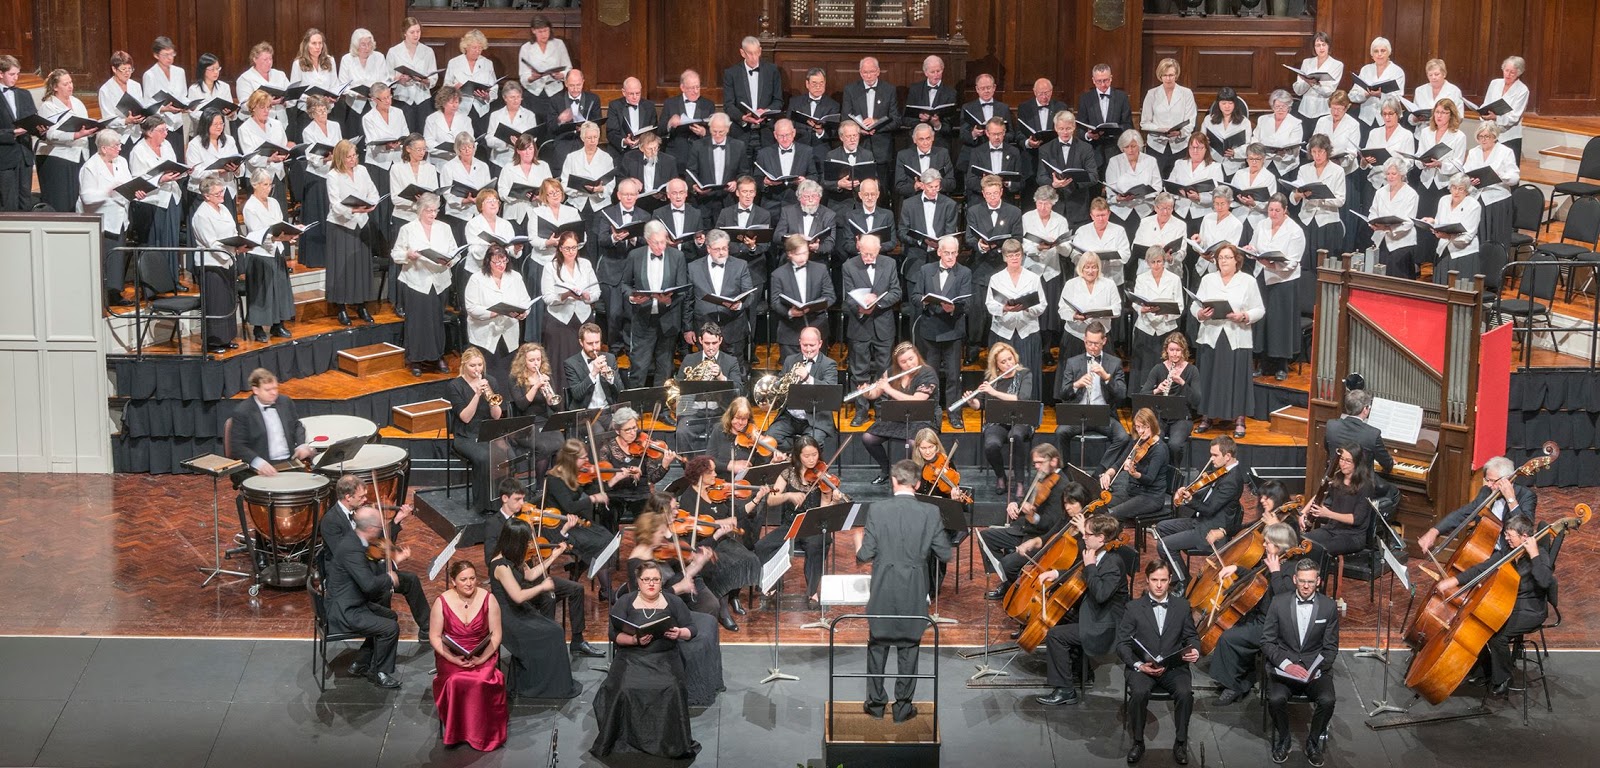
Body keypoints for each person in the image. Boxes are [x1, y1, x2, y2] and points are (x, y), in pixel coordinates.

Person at [853, 459, 952, 722]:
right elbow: (945, 553)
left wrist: (857, 542)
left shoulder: (877, 509)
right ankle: (903, 708)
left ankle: (875, 705)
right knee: (909, 646)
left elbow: (866, 554)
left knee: (877, 644)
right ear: (918, 484)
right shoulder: (931, 512)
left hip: (883, 587)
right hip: (914, 589)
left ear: (893, 482)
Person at [1430, 514, 1551, 700]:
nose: (1507, 539)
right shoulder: (1509, 552)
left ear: (1525, 537)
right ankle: (1488, 672)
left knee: (1497, 635)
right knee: (1482, 627)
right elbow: (1483, 568)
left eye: (1511, 535)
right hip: (1510, 603)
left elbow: (1544, 581)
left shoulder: (1540, 555)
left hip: (1531, 609)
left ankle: (1504, 679)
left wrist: (1534, 554)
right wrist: (1453, 581)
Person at [591, 559, 702, 760]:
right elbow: (613, 634)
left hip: (665, 657)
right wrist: (633, 639)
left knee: (672, 687)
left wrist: (679, 633)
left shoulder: (673, 601)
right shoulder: (625, 601)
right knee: (624, 687)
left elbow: (692, 629)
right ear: (638, 581)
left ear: (661, 582)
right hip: (632, 657)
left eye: (656, 580)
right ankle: (625, 738)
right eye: (646, 579)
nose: (651, 583)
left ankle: (669, 741)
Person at [1208, 512, 1303, 707]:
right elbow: (1255, 577)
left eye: (1268, 543)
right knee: (1231, 626)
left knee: (1228, 638)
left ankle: (1234, 686)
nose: (1264, 545)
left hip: (1273, 625)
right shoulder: (1270, 561)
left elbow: (1284, 599)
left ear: (1278, 547)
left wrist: (1275, 572)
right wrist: (1235, 568)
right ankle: (1242, 677)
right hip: (1260, 615)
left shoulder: (1291, 570)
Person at [487, 518, 588, 700]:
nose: (528, 544)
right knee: (553, 632)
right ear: (514, 541)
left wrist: (554, 556)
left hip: (519, 611)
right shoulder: (500, 565)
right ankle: (540, 685)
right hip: (508, 617)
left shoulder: (513, 558)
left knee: (555, 630)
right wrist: (542, 587)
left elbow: (531, 574)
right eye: (525, 541)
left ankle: (549, 682)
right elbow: (517, 596)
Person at [1036, 513, 1131, 706]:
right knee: (1063, 616)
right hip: (1096, 614)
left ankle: (1065, 690)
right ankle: (1080, 672)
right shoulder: (1096, 554)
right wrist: (1054, 573)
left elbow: (1101, 594)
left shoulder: (1112, 563)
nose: (1083, 536)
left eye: (1087, 534)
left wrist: (1090, 567)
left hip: (1106, 626)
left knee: (1055, 635)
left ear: (1101, 538)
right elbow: (1078, 574)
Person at [1117, 560, 1200, 765]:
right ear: (1147, 580)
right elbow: (1122, 644)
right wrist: (1138, 665)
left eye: (1163, 580)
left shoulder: (1182, 606)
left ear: (1170, 580)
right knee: (1138, 693)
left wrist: (1195, 649)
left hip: (1173, 667)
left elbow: (1192, 636)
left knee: (1185, 693)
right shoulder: (1133, 607)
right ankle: (1138, 741)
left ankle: (1180, 742)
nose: (1159, 585)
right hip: (1143, 668)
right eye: (1155, 580)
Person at [752, 436, 850, 605]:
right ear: (798, 456)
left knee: (816, 545)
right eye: (807, 456)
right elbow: (770, 500)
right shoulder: (787, 473)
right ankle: (771, 584)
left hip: (813, 525)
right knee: (762, 546)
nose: (812, 459)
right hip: (791, 524)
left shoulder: (823, 476)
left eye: (814, 454)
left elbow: (823, 508)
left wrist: (832, 500)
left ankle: (812, 591)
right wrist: (788, 495)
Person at [1262, 559, 1341, 766]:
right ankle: (1284, 738)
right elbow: (1267, 641)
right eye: (1303, 581)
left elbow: (1331, 647)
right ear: (1295, 580)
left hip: (1314, 670)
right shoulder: (1278, 602)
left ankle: (1313, 742)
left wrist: (1317, 669)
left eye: (1311, 582)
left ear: (1318, 582)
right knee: (1276, 699)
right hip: (1285, 668)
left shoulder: (1329, 606)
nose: (1306, 586)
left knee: (1328, 700)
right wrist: (1287, 665)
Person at [676, 456, 763, 631]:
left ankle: (733, 596)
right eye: (712, 471)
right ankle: (723, 610)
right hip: (705, 542)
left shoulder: (717, 491)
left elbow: (737, 513)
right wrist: (722, 522)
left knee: (748, 558)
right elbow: (695, 527)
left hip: (723, 539)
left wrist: (757, 498)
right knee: (723, 566)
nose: (716, 474)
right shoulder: (688, 499)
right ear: (700, 474)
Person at [428, 560, 507, 751]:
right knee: (455, 680)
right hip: (452, 656)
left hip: (482, 654)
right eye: (463, 579)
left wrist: (483, 657)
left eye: (472, 578)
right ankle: (457, 731)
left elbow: (496, 635)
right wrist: (451, 658)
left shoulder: (489, 599)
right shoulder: (441, 602)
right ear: (454, 581)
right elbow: (435, 637)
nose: (469, 583)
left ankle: (481, 733)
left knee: (480, 681)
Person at [980, 444, 1073, 598]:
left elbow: (1052, 523)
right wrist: (1016, 504)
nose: (1036, 466)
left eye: (1040, 462)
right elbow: (1029, 500)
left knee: (1008, 563)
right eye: (1034, 463)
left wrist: (1033, 516)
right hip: (1025, 529)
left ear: (1054, 461)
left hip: (1041, 538)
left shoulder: (1062, 486)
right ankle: (1009, 583)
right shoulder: (1042, 476)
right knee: (986, 537)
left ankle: (1013, 587)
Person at [325, 506, 403, 689]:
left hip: (351, 601)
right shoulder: (353, 549)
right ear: (370, 529)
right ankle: (379, 672)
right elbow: (367, 585)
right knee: (390, 627)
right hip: (345, 610)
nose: (380, 530)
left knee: (389, 616)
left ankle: (361, 662)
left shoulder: (356, 541)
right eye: (378, 526)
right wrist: (389, 578)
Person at [1191, 245, 1263, 436]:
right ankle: (1206, 416)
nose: (1223, 261)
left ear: (1236, 260)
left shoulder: (1247, 281)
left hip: (1236, 334)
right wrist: (1200, 313)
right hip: (1211, 334)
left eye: (1228, 257)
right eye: (1220, 257)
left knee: (1237, 378)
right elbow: (1194, 305)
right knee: (1208, 376)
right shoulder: (1208, 279)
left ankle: (1239, 419)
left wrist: (1244, 315)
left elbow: (1259, 309)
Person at [1155, 435, 1245, 588]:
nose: (1211, 459)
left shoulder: (1232, 480)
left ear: (1228, 456)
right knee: (1161, 527)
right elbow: (1208, 495)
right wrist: (1190, 493)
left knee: (1163, 545)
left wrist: (1190, 500)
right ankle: (1178, 571)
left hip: (1210, 529)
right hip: (1200, 521)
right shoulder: (1223, 471)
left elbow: (1209, 509)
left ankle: (1184, 582)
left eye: (1215, 455)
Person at [1415, 455, 1537, 561]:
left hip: (1509, 554)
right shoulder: (1486, 492)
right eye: (1487, 480)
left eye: (1493, 481)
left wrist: (1511, 500)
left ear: (1508, 480)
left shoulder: (1526, 496)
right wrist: (1434, 531)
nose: (1489, 485)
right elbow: (1464, 513)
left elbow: (1526, 529)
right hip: (1483, 549)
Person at [543, 439, 621, 602]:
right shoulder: (554, 479)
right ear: (571, 459)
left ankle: (578, 569)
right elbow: (570, 506)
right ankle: (606, 590)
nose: (587, 461)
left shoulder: (578, 474)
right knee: (600, 544)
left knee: (607, 538)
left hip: (576, 522)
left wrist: (616, 478)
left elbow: (597, 490)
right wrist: (593, 498)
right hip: (559, 526)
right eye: (583, 458)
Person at [391, 192, 454, 375]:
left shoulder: (445, 228)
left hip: (439, 280)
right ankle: (416, 359)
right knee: (417, 322)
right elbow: (396, 254)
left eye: (435, 210)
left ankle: (437, 356)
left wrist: (450, 261)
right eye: (429, 211)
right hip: (417, 280)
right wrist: (407, 255)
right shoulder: (408, 229)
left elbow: (453, 251)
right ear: (420, 211)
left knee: (436, 320)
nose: (432, 214)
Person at [1053, 320, 1130, 471]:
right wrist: (1076, 384)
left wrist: (1107, 377)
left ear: (1104, 341)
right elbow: (1063, 393)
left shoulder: (1114, 363)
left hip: (1103, 414)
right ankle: (1066, 473)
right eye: (1089, 343)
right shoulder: (1073, 362)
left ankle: (1102, 473)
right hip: (1078, 414)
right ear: (1084, 340)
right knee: (1060, 432)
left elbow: (1121, 394)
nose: (1092, 347)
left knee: (1123, 438)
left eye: (1096, 343)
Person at [909, 236, 971, 423]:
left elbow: (968, 303)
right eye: (947, 253)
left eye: (954, 253)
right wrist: (926, 300)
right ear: (939, 252)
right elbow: (915, 296)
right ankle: (931, 414)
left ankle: (954, 414)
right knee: (930, 376)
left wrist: (953, 308)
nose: (951, 257)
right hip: (930, 331)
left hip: (952, 330)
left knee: (953, 376)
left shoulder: (964, 272)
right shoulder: (926, 270)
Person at [1248, 193, 1308, 384]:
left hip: (1283, 281)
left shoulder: (1295, 230)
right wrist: (1250, 251)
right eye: (1270, 210)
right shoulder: (1261, 225)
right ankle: (1264, 363)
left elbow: (1292, 262)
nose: (1273, 214)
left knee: (1280, 323)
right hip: (1263, 277)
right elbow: (1255, 247)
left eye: (1277, 211)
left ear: (1285, 211)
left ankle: (1281, 365)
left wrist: (1272, 264)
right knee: (1264, 321)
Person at [959, 342, 1034, 495]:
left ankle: (1019, 482)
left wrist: (994, 393)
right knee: (991, 445)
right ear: (996, 365)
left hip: (1020, 420)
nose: (1008, 364)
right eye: (1003, 362)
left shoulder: (1025, 374)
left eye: (1010, 359)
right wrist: (971, 401)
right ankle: (1001, 476)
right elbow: (980, 405)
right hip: (997, 421)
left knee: (1016, 436)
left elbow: (1022, 398)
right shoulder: (992, 379)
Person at [623, 221, 691, 388]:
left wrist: (669, 300)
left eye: (663, 241)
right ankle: (635, 408)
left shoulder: (677, 256)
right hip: (643, 318)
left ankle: (663, 409)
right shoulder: (635, 255)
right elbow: (624, 284)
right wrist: (632, 298)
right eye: (656, 242)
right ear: (647, 240)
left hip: (668, 319)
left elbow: (683, 290)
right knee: (639, 366)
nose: (661, 246)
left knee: (665, 368)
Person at [861, 342, 941, 483]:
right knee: (868, 438)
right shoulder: (892, 372)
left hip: (924, 418)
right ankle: (886, 469)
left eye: (911, 359)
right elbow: (875, 393)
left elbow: (918, 401)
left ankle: (914, 476)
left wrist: (889, 389)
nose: (909, 364)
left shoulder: (928, 373)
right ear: (898, 364)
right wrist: (867, 393)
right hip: (898, 416)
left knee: (912, 443)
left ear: (917, 356)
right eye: (903, 362)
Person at [188, 176, 247, 353]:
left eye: (221, 191)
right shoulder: (201, 215)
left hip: (227, 260)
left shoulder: (223, 209)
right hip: (212, 264)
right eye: (217, 193)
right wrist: (232, 247)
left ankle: (227, 337)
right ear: (206, 196)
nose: (222, 195)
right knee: (216, 302)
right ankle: (213, 341)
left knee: (228, 301)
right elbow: (211, 243)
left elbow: (234, 231)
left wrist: (239, 245)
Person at [325, 140, 380, 325]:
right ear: (341, 157)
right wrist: (354, 210)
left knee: (361, 266)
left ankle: (361, 304)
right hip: (341, 226)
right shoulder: (333, 175)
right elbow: (335, 204)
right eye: (349, 156)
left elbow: (374, 193)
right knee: (342, 267)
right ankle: (341, 307)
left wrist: (369, 205)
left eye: (355, 155)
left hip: (361, 223)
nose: (353, 159)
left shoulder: (362, 171)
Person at [78, 130, 135, 307]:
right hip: (102, 220)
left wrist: (135, 192)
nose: (120, 148)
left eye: (119, 144)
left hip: (120, 217)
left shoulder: (121, 162)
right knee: (103, 258)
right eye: (115, 145)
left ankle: (114, 292)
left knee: (117, 257)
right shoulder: (90, 167)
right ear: (103, 148)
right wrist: (108, 192)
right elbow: (87, 197)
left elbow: (128, 184)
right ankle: (100, 294)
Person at [596, 407, 679, 527]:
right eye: (627, 430)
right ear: (617, 430)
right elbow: (604, 481)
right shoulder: (607, 449)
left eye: (634, 428)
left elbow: (652, 478)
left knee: (648, 521)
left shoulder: (644, 443)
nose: (633, 433)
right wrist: (621, 476)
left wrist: (664, 465)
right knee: (608, 514)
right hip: (616, 494)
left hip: (640, 494)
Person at [447, 348, 507, 511]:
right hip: (466, 435)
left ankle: (503, 500)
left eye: (480, 365)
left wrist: (491, 400)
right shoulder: (455, 386)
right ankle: (484, 504)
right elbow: (465, 417)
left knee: (508, 455)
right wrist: (477, 395)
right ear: (464, 365)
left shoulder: (491, 381)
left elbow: (496, 416)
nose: (477, 369)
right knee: (484, 458)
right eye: (473, 365)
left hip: (488, 432)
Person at [465, 243, 533, 384]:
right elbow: (471, 308)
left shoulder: (515, 277)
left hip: (508, 333)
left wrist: (523, 313)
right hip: (485, 335)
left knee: (508, 374)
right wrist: (494, 313)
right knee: (488, 374)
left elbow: (525, 302)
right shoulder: (477, 279)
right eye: (496, 262)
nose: (501, 265)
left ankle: (506, 405)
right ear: (488, 262)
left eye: (504, 261)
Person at [542, 230, 600, 393]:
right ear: (560, 248)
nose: (571, 252)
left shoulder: (585, 264)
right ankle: (560, 400)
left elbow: (596, 291)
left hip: (583, 318)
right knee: (560, 362)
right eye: (567, 248)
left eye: (574, 248)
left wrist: (588, 296)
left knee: (585, 360)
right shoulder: (550, 267)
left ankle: (585, 396)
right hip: (560, 320)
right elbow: (547, 297)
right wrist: (565, 295)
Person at [1412, 99, 1468, 266]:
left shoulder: (1458, 136)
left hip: (1444, 186)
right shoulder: (1426, 132)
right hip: (1427, 182)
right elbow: (1418, 156)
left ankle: (1438, 263)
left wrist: (1440, 164)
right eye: (1437, 112)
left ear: (1451, 115)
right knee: (1423, 223)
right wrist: (1421, 162)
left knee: (1440, 224)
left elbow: (1459, 164)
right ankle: (1419, 261)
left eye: (1444, 112)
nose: (1439, 116)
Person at [227, 368, 314, 476]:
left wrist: (301, 445)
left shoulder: (285, 402)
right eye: (268, 390)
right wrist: (258, 463)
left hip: (290, 461)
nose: (274, 393)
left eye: (275, 388)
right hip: (262, 467)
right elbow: (238, 446)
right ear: (256, 390)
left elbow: (297, 426)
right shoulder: (243, 412)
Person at [986, 239, 1047, 391]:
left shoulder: (1033, 278)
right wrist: (1005, 308)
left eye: (1017, 254)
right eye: (1010, 255)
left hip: (1027, 332)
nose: (1014, 258)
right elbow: (990, 304)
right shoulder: (996, 279)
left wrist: (1026, 308)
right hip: (1003, 332)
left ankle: (1029, 408)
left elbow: (1042, 305)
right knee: (1003, 375)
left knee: (1027, 372)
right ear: (1005, 257)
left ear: (1022, 256)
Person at [765, 326, 840, 449]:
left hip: (815, 420)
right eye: (805, 345)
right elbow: (780, 385)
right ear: (800, 342)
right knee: (770, 438)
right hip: (790, 417)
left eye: (812, 345)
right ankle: (795, 455)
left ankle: (802, 456)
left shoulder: (829, 364)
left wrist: (807, 378)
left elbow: (829, 390)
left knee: (810, 444)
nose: (808, 349)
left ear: (820, 343)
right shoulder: (790, 360)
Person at [129, 120, 184, 285]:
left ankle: (173, 279)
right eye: (161, 130)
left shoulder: (166, 145)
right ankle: (156, 283)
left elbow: (173, 165)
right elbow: (137, 179)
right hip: (152, 201)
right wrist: (160, 179)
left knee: (172, 241)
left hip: (171, 196)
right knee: (157, 241)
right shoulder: (138, 151)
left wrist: (181, 172)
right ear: (149, 132)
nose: (165, 133)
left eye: (166, 130)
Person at [674, 322, 745, 449]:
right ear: (700, 340)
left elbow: (739, 390)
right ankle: (690, 465)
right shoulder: (689, 359)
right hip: (694, 412)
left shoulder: (730, 361)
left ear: (720, 340)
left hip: (720, 413)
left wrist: (721, 377)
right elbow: (678, 387)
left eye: (714, 343)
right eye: (707, 343)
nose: (711, 348)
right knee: (682, 432)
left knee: (726, 434)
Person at [35, 68, 93, 214]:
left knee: (77, 198)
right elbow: (50, 134)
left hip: (80, 155)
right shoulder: (48, 106)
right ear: (55, 87)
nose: (70, 86)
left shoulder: (77, 102)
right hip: (58, 158)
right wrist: (75, 135)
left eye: (71, 82)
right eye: (65, 84)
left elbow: (84, 123)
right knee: (62, 201)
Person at [769, 232, 835, 361]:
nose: (803, 257)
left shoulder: (820, 269)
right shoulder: (778, 274)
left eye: (805, 252)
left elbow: (830, 296)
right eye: (799, 254)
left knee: (817, 372)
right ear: (790, 254)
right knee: (791, 374)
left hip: (817, 326)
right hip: (790, 331)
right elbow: (775, 302)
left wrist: (814, 307)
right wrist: (790, 312)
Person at [1101, 408, 1172, 524]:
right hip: (1133, 491)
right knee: (1101, 504)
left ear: (1152, 425)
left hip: (1151, 497)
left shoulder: (1159, 449)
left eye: (1144, 427)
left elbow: (1149, 479)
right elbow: (1120, 462)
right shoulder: (1138, 442)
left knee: (1111, 515)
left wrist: (1135, 473)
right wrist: (1108, 473)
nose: (1140, 431)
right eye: (1137, 427)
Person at [1140, 332, 1202, 467]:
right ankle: (1156, 471)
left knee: (1175, 445)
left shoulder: (1192, 370)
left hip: (1182, 418)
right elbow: (1143, 395)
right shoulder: (1158, 369)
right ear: (1166, 351)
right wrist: (1158, 390)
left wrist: (1182, 382)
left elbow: (1197, 400)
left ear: (1183, 351)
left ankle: (1173, 474)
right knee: (1155, 441)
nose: (1175, 354)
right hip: (1160, 416)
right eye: (1172, 350)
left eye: (1178, 350)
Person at [722, 36, 784, 157]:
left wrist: (766, 111)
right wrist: (743, 117)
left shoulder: (772, 71)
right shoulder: (731, 73)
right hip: (741, 131)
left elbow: (778, 100)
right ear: (742, 53)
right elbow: (728, 105)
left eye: (756, 53)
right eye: (750, 53)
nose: (754, 57)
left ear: (760, 51)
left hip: (766, 130)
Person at [1130, 246, 1184, 381]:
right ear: (1147, 263)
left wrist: (1165, 313)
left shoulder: (1174, 279)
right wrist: (1141, 309)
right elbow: (1136, 303)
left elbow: (1180, 306)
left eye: (1159, 261)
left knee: (1165, 368)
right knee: (1144, 368)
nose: (1156, 265)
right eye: (1153, 262)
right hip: (1145, 328)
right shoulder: (1141, 278)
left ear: (1164, 261)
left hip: (1166, 329)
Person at [1462, 122, 1519, 248]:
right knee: (1477, 235)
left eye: (1486, 136)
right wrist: (1469, 181)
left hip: (1497, 199)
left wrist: (1500, 175)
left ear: (1494, 137)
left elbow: (1515, 178)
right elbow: (1465, 173)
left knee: (1496, 235)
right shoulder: (1473, 152)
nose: (1483, 139)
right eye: (1480, 136)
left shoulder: (1505, 152)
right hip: (1477, 197)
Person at [1058, 251, 1122, 361]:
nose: (1091, 271)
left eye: (1094, 267)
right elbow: (1062, 309)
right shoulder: (1071, 284)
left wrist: (1102, 314)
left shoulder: (1109, 284)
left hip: (1101, 338)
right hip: (1076, 336)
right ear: (1081, 268)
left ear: (1099, 268)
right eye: (1087, 267)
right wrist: (1074, 316)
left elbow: (1117, 310)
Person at [706, 395, 788, 478]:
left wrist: (772, 463)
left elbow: (759, 466)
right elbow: (708, 460)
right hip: (722, 480)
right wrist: (730, 466)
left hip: (746, 482)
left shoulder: (753, 435)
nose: (740, 423)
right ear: (730, 417)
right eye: (737, 418)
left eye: (744, 419)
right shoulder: (719, 430)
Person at [1422, 174, 1482, 284]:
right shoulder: (1444, 200)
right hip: (1444, 250)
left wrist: (1448, 236)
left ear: (1467, 191)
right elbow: (1440, 222)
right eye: (1454, 187)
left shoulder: (1474, 206)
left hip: (1463, 254)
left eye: (1461, 189)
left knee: (1458, 292)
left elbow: (1467, 237)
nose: (1456, 192)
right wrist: (1433, 222)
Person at [386, 17, 439, 136]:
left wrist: (425, 81)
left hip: (423, 99)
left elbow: (434, 78)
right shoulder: (394, 52)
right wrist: (399, 79)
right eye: (412, 32)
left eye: (418, 31)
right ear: (405, 33)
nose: (416, 35)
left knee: (424, 135)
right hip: (403, 99)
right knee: (405, 136)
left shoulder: (428, 51)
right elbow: (388, 78)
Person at [1369, 159, 1421, 277]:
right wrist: (1373, 223)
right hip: (1381, 241)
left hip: (1402, 244)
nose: (1390, 177)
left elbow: (1409, 222)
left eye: (1394, 174)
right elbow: (1372, 212)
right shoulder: (1380, 192)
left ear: (1402, 174)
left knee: (1399, 280)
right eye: (1388, 174)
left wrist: (1388, 228)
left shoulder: (1411, 194)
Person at [1105, 131, 1161, 236]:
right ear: (1122, 148)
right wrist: (1119, 198)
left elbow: (1157, 187)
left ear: (1139, 145)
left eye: (1133, 146)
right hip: (1121, 211)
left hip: (1145, 210)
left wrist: (1145, 194)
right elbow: (1110, 190)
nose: (1130, 150)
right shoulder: (1114, 161)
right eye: (1126, 147)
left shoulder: (1150, 161)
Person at [1076, 65, 1133, 169]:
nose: (1103, 84)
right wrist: (1088, 135)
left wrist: (1115, 129)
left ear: (1111, 78)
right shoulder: (1085, 99)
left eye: (1106, 80)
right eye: (1099, 81)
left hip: (1116, 149)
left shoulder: (1122, 97)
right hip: (1093, 152)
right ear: (1093, 80)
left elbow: (1128, 125)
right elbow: (1079, 128)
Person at [338, 29, 389, 139]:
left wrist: (376, 92)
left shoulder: (379, 57)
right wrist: (355, 94)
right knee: (356, 139)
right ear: (356, 46)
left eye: (369, 44)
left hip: (375, 104)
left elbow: (384, 81)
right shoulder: (347, 59)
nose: (367, 48)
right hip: (354, 106)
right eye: (363, 45)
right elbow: (342, 85)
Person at [443, 29, 495, 136]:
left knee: (481, 141)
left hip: (481, 110)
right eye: (474, 47)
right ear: (466, 47)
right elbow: (446, 87)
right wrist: (455, 87)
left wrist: (487, 96)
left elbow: (494, 88)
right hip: (461, 108)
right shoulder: (454, 63)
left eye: (480, 48)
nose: (477, 51)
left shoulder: (487, 64)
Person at [1290, 31, 1343, 137]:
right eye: (1318, 45)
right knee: (1303, 143)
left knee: (1319, 143)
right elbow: (1298, 90)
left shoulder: (1337, 65)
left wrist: (1314, 84)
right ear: (1314, 48)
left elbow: (1329, 91)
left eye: (1324, 44)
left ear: (1328, 46)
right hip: (1305, 110)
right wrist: (1307, 82)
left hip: (1323, 111)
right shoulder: (1307, 62)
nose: (1321, 48)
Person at [1479, 56, 1530, 163]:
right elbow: (1486, 104)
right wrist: (1483, 113)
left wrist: (1496, 117)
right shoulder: (1495, 83)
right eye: (1506, 70)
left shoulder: (1522, 90)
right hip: (1490, 133)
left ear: (1519, 73)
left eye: (1512, 72)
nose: (1508, 74)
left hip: (1509, 137)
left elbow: (1515, 117)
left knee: (1507, 170)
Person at [958, 73, 1011, 172]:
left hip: (998, 153)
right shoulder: (967, 108)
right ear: (977, 89)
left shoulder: (1003, 108)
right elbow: (963, 135)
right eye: (982, 88)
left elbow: (1011, 134)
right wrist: (974, 134)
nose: (986, 91)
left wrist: (998, 135)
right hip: (974, 154)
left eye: (988, 87)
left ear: (994, 87)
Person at [562, 322, 621, 410]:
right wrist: (593, 373)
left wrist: (610, 378)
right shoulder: (571, 363)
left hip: (608, 410)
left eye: (597, 342)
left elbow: (620, 391)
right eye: (590, 343)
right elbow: (577, 394)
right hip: (586, 414)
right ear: (581, 342)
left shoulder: (610, 358)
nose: (594, 347)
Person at [896, 122, 958, 201]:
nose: (925, 143)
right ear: (914, 140)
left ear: (933, 138)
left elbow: (952, 184)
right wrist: (915, 187)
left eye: (928, 138)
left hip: (938, 201)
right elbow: (899, 187)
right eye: (921, 139)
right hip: (914, 202)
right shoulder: (903, 156)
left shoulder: (943, 154)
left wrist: (937, 184)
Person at [966, 117, 1024, 199]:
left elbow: (1021, 182)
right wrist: (987, 185)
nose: (997, 137)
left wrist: (1008, 183)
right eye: (993, 134)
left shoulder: (1014, 152)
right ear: (987, 133)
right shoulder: (977, 152)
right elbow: (970, 181)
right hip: (982, 199)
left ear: (1004, 133)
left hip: (1005, 198)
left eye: (999, 134)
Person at [1201, 87, 1252, 178]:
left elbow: (1248, 145)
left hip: (1235, 167)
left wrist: (1235, 152)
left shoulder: (1245, 122)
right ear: (1218, 104)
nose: (1227, 106)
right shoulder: (1208, 119)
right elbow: (1200, 140)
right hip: (1213, 163)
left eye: (1230, 103)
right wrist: (1205, 142)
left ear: (1235, 104)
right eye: (1223, 103)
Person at [519, 15, 571, 102]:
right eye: (540, 32)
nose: (544, 34)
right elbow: (523, 76)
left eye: (546, 30)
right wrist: (532, 77)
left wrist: (562, 75)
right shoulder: (526, 48)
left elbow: (568, 68)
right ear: (533, 31)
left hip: (555, 91)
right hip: (534, 92)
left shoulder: (559, 44)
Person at [789, 66, 841, 148]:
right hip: (799, 146)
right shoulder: (795, 102)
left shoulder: (833, 105)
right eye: (814, 83)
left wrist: (820, 131)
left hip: (821, 147)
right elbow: (789, 126)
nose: (818, 87)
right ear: (807, 84)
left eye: (821, 83)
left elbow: (834, 133)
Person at [1256, 90, 1304, 179]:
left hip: (1284, 167)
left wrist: (1283, 154)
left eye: (1284, 106)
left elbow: (1295, 147)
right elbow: (1255, 139)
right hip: (1264, 162)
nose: (1280, 109)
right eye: (1277, 106)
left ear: (1289, 107)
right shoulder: (1263, 120)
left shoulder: (1295, 123)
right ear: (1272, 107)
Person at [423, 86, 473, 170]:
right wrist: (445, 149)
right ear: (443, 103)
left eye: (456, 102)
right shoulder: (431, 119)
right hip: (438, 163)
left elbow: (471, 140)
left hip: (460, 164)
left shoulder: (466, 120)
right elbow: (428, 142)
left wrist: (460, 149)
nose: (455, 105)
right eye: (451, 102)